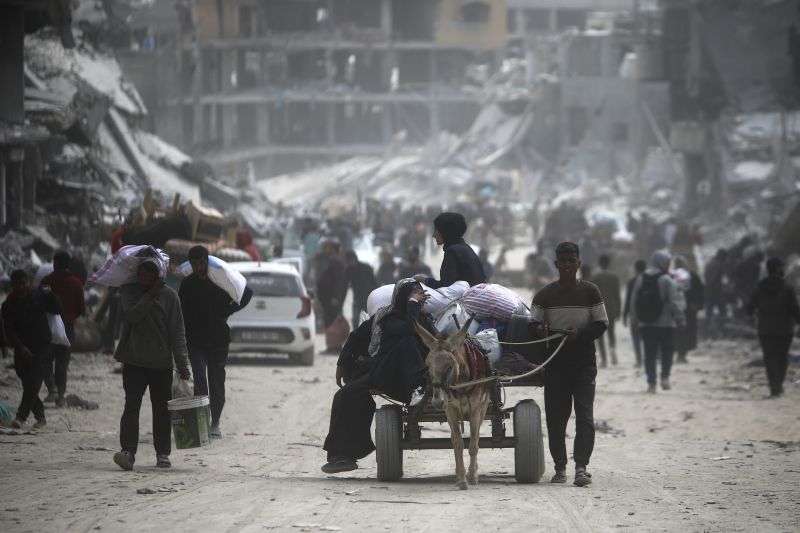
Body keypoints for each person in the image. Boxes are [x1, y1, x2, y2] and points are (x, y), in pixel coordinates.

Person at [322, 279, 435, 474]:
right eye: (414, 295)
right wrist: (342, 364)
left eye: (420, 295)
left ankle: (418, 388)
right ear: (402, 299)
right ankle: (342, 456)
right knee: (345, 396)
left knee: (407, 343)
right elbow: (356, 337)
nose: (419, 298)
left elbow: (419, 333)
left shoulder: (422, 319)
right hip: (386, 376)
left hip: (417, 381)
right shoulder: (387, 318)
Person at [531, 242, 608, 487]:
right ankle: (560, 468)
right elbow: (532, 326)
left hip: (584, 363)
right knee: (556, 418)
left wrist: (580, 334)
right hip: (555, 365)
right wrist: (539, 329)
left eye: (570, 261)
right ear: (556, 265)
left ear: (578, 264)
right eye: (562, 262)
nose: (566, 266)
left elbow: (601, 323)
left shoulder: (591, 291)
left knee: (584, 417)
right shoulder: (544, 295)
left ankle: (581, 468)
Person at [113, 260, 191, 470]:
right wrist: (149, 295)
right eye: (141, 274)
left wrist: (183, 364)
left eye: (149, 274)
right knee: (131, 406)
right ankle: (128, 452)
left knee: (161, 411)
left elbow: (177, 332)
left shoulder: (170, 296)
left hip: (161, 364)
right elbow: (132, 316)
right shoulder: (129, 293)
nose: (144, 278)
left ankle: (163, 454)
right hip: (134, 361)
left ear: (157, 275)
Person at [179, 246, 252, 439]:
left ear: (206, 262)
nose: (198, 267)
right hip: (195, 340)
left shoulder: (220, 281)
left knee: (216, 381)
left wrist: (228, 311)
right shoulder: (187, 284)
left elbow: (247, 294)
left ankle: (215, 422)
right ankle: (201, 422)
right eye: (194, 263)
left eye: (201, 263)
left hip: (218, 340)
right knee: (200, 380)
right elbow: (181, 312)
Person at [2, 270, 61, 429]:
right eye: (17, 284)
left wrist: (51, 294)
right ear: (12, 285)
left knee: (34, 382)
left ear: (28, 282)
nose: (21, 287)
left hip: (42, 346)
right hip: (21, 348)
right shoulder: (8, 304)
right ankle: (40, 417)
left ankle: (21, 417)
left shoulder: (39, 295)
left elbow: (57, 309)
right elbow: (9, 330)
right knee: (28, 383)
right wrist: (20, 348)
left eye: (23, 283)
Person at [631, 251, 685, 393]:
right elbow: (674, 302)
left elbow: (634, 301)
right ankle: (665, 378)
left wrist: (634, 320)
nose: (668, 265)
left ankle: (651, 384)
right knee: (667, 351)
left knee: (649, 354)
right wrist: (680, 319)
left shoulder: (641, 278)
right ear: (662, 263)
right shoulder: (667, 280)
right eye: (667, 262)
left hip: (647, 324)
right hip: (666, 324)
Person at [745, 258, 800, 397]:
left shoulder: (760, 287)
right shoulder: (788, 288)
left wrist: (753, 314)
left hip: (765, 329)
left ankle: (774, 387)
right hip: (785, 329)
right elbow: (795, 309)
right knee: (782, 357)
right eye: (782, 267)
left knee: (769, 358)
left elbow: (749, 308)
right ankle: (778, 385)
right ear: (777, 269)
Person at [40, 250, 85, 406]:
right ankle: (60, 397)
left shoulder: (46, 281)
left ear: (54, 263)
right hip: (67, 328)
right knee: (62, 364)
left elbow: (38, 304)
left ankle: (51, 389)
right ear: (68, 265)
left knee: (45, 360)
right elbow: (81, 309)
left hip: (47, 328)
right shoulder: (77, 283)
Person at [420, 212, 486, 289]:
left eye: (436, 230)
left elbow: (446, 286)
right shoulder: (464, 248)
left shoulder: (453, 251)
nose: (433, 235)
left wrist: (424, 280)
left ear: (445, 232)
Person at [315, 240, 348, 354]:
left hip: (332, 299)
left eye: (328, 248)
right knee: (329, 322)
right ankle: (332, 347)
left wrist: (336, 297)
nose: (325, 250)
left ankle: (335, 347)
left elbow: (339, 282)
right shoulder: (329, 260)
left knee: (332, 323)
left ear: (333, 249)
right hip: (328, 298)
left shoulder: (336, 262)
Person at [673, 256, 705, 363]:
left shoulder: (670, 276)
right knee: (685, 332)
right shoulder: (691, 276)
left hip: (679, 310)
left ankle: (680, 354)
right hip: (688, 310)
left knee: (678, 332)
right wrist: (697, 305)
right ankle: (681, 354)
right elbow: (700, 291)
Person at [592, 255, 621, 367]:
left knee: (601, 336)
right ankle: (613, 350)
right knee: (611, 332)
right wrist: (619, 310)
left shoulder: (595, 277)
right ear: (609, 263)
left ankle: (604, 359)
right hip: (612, 308)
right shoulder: (614, 277)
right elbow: (617, 295)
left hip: (599, 310)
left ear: (600, 263)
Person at [623, 259, 647, 367]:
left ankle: (639, 360)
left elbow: (628, 300)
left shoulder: (632, 281)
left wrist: (624, 315)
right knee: (647, 338)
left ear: (635, 268)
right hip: (648, 315)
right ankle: (647, 358)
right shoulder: (649, 280)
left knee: (636, 338)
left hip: (634, 315)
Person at [344, 250, 377, 330]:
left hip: (369, 296)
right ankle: (357, 335)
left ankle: (371, 333)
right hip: (358, 298)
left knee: (371, 318)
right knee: (355, 319)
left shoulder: (366, 267)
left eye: (350, 260)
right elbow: (344, 284)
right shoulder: (348, 270)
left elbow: (374, 282)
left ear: (354, 259)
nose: (349, 262)